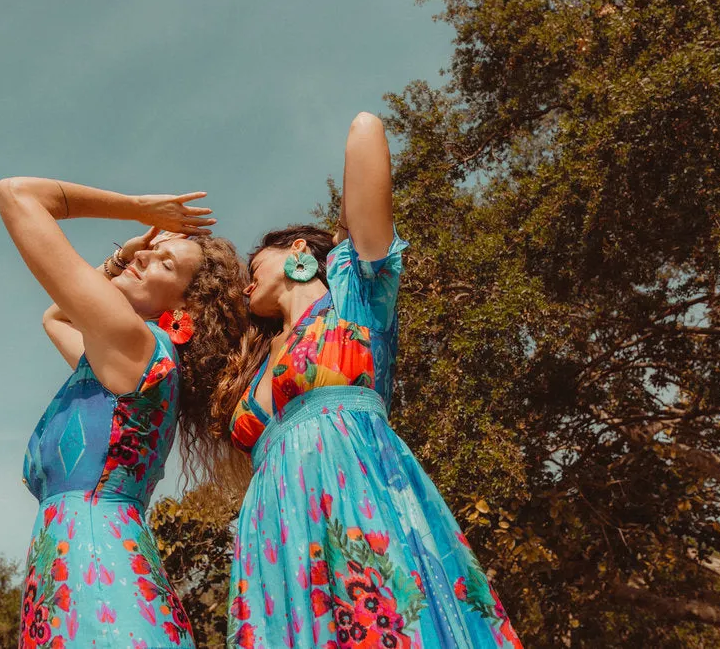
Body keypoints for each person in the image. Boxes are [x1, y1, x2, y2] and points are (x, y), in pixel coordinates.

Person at [216, 113, 522, 648]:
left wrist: (338, 243)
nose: (245, 285)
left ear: (296, 255)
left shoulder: (356, 301)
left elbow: (365, 132)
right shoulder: (257, 365)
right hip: (275, 527)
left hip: (352, 494)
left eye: (253, 266)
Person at [0, 177, 248, 649]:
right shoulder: (122, 362)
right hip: (76, 571)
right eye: (146, 252)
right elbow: (56, 318)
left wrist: (137, 208)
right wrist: (121, 259)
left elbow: (17, 194)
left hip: (98, 575)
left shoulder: (136, 345)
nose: (143, 256)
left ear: (187, 304)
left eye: (164, 261)